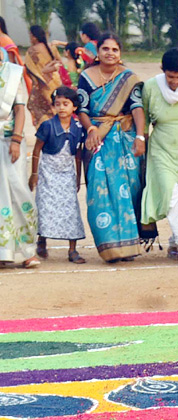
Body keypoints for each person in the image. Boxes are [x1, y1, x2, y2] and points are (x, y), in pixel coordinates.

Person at [77, 34, 147, 263]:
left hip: (125, 137)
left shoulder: (128, 78)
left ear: (120, 53)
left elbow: (137, 107)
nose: (110, 53)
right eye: (105, 49)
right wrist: (91, 130)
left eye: (115, 49)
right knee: (99, 189)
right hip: (99, 138)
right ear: (97, 53)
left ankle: (129, 246)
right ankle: (109, 247)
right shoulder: (86, 77)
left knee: (130, 188)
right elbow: (83, 109)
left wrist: (139, 136)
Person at [141, 48, 178, 263]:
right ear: (162, 70)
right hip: (161, 150)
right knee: (171, 194)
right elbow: (144, 119)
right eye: (170, 76)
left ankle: (175, 242)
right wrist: (142, 145)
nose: (174, 81)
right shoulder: (150, 87)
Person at [30, 85, 86, 262]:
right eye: (58, 104)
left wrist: (77, 177)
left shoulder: (78, 128)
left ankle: (72, 250)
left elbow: (78, 154)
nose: (61, 107)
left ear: (74, 107)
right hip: (48, 173)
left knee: (71, 209)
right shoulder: (47, 126)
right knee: (45, 207)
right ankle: (42, 240)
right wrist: (34, 174)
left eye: (66, 104)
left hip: (67, 173)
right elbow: (36, 150)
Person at [0, 54, 37, 267]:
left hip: (10, 141)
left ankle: (28, 251)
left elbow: (20, 108)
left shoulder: (13, 73)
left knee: (18, 190)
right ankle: (4, 251)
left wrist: (16, 138)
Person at [24, 25, 70, 126]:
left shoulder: (31, 51)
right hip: (55, 82)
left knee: (35, 106)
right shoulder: (51, 47)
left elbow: (29, 70)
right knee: (56, 108)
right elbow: (60, 63)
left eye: (30, 35)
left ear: (34, 36)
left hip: (42, 85)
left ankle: (45, 131)